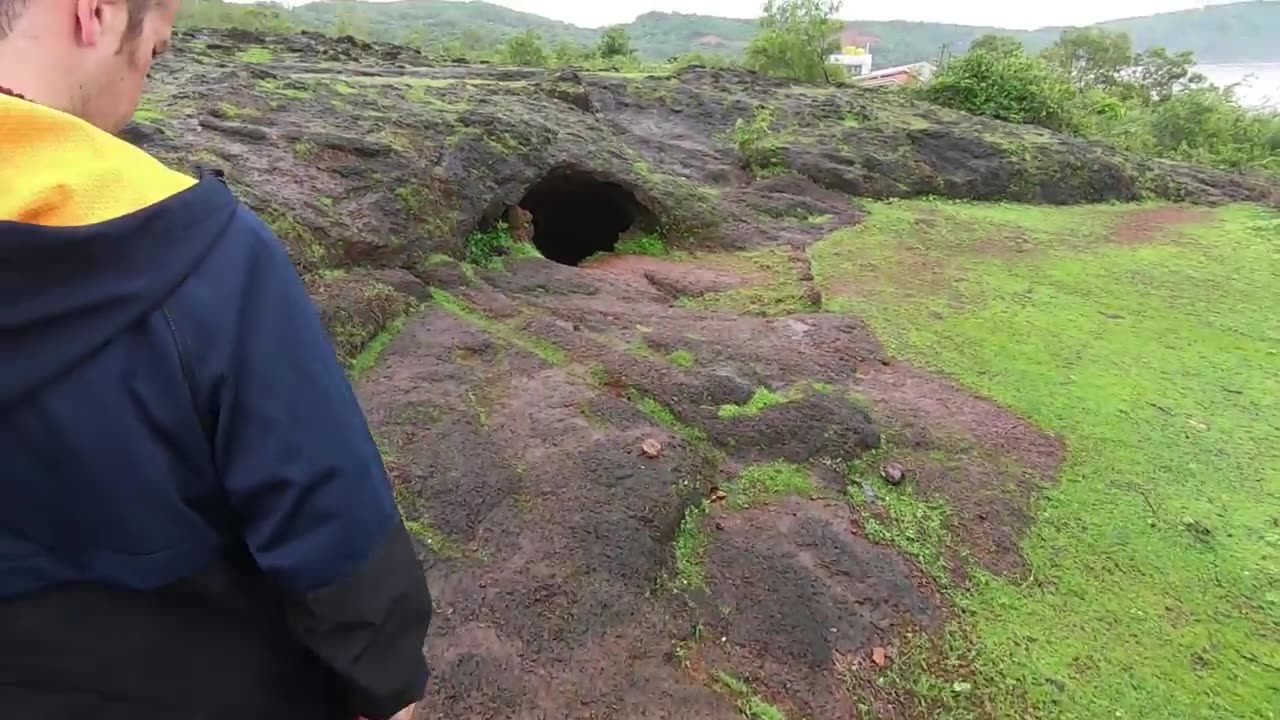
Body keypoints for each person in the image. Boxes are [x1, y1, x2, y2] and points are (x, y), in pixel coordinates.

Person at [0, 0, 432, 718]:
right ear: (96, 13)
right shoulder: (203, 254)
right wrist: (387, 686)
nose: (143, 82)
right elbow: (333, 527)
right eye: (156, 51)